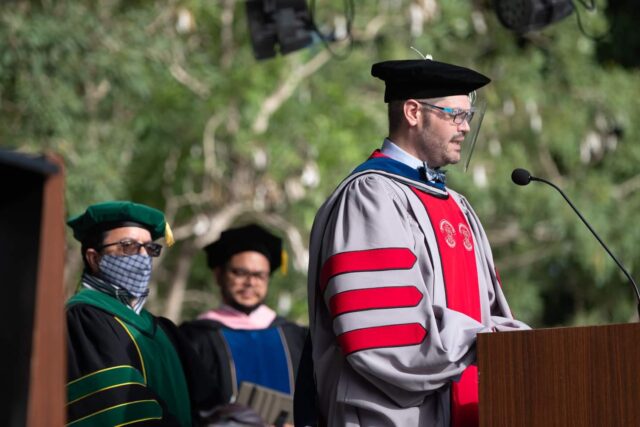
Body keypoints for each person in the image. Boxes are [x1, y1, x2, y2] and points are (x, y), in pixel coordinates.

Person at [305, 59, 530, 426]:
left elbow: (489, 313)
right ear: (413, 112)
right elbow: (383, 333)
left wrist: (509, 339)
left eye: (469, 116)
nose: (466, 127)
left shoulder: (457, 205)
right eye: (455, 115)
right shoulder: (370, 196)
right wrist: (481, 339)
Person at [66, 201, 219, 426]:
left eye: (149, 248)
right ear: (94, 258)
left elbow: (210, 405)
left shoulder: (163, 330)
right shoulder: (84, 319)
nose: (142, 257)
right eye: (128, 246)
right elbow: (123, 414)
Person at [180, 224, 306, 424]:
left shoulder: (295, 337)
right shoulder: (194, 337)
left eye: (259, 275)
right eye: (239, 272)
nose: (250, 282)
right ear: (218, 275)